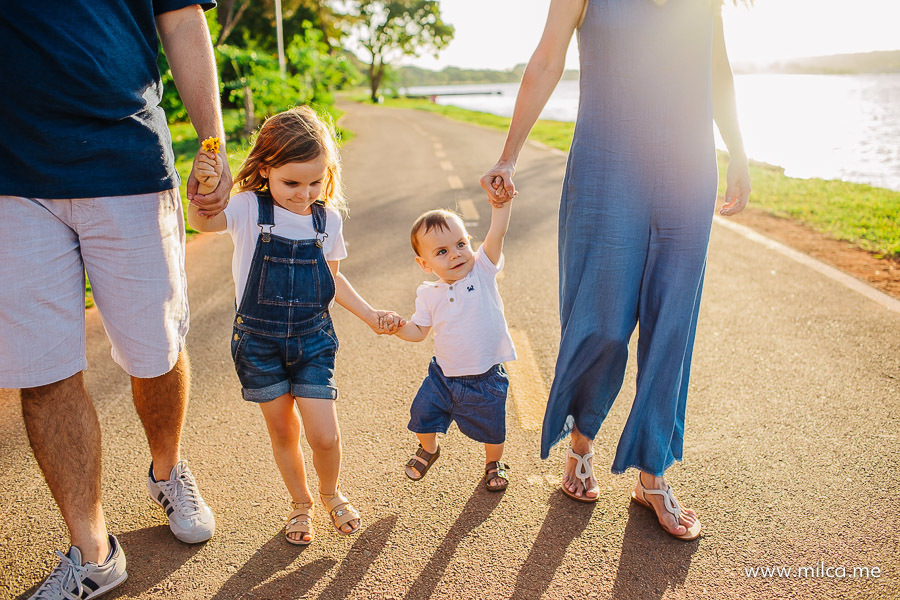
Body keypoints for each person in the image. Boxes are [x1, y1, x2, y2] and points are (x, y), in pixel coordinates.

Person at [480, 0, 751, 541]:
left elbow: (716, 69)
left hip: (688, 168)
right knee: (601, 318)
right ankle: (581, 439)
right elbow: (547, 60)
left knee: (672, 323)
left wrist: (738, 150)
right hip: (606, 164)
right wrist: (508, 155)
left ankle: (653, 474)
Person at [0, 1, 230, 597]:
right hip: (14, 180)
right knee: (42, 372)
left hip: (127, 163)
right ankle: (94, 551)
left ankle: (167, 469)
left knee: (157, 353)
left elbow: (181, 19)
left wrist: (212, 143)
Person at [189, 106, 401, 545]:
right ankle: (300, 503)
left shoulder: (328, 221)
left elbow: (332, 279)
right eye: (291, 183)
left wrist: (370, 315)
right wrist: (206, 189)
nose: (304, 195)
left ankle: (331, 492)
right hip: (258, 343)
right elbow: (203, 221)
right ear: (265, 169)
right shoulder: (248, 207)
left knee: (324, 435)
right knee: (284, 430)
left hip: (312, 340)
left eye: (315, 182)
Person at [391, 203, 517, 491]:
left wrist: (501, 204)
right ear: (425, 264)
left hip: (485, 377)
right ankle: (430, 449)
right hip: (443, 376)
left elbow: (497, 232)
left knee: (493, 429)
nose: (456, 254)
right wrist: (397, 327)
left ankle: (494, 462)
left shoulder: (482, 270)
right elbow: (418, 331)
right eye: (441, 251)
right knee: (421, 416)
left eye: (461, 244)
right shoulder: (428, 294)